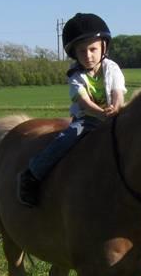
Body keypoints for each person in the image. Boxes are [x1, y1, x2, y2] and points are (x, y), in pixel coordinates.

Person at [17, 13, 126, 207]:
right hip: (88, 119)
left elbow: (118, 91)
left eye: (93, 49)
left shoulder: (112, 68)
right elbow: (84, 102)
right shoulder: (75, 76)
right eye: (82, 51)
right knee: (66, 139)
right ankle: (32, 174)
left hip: (115, 115)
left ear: (104, 47)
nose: (88, 55)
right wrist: (102, 114)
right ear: (75, 54)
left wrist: (116, 108)